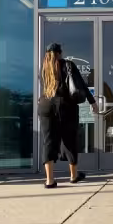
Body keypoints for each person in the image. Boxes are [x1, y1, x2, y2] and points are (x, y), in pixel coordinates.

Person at [38, 43, 97, 188]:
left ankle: (49, 180)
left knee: (49, 141)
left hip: (45, 106)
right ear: (59, 53)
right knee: (70, 140)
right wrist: (92, 102)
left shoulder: (44, 69)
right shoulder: (68, 65)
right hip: (66, 106)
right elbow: (81, 85)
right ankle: (73, 176)